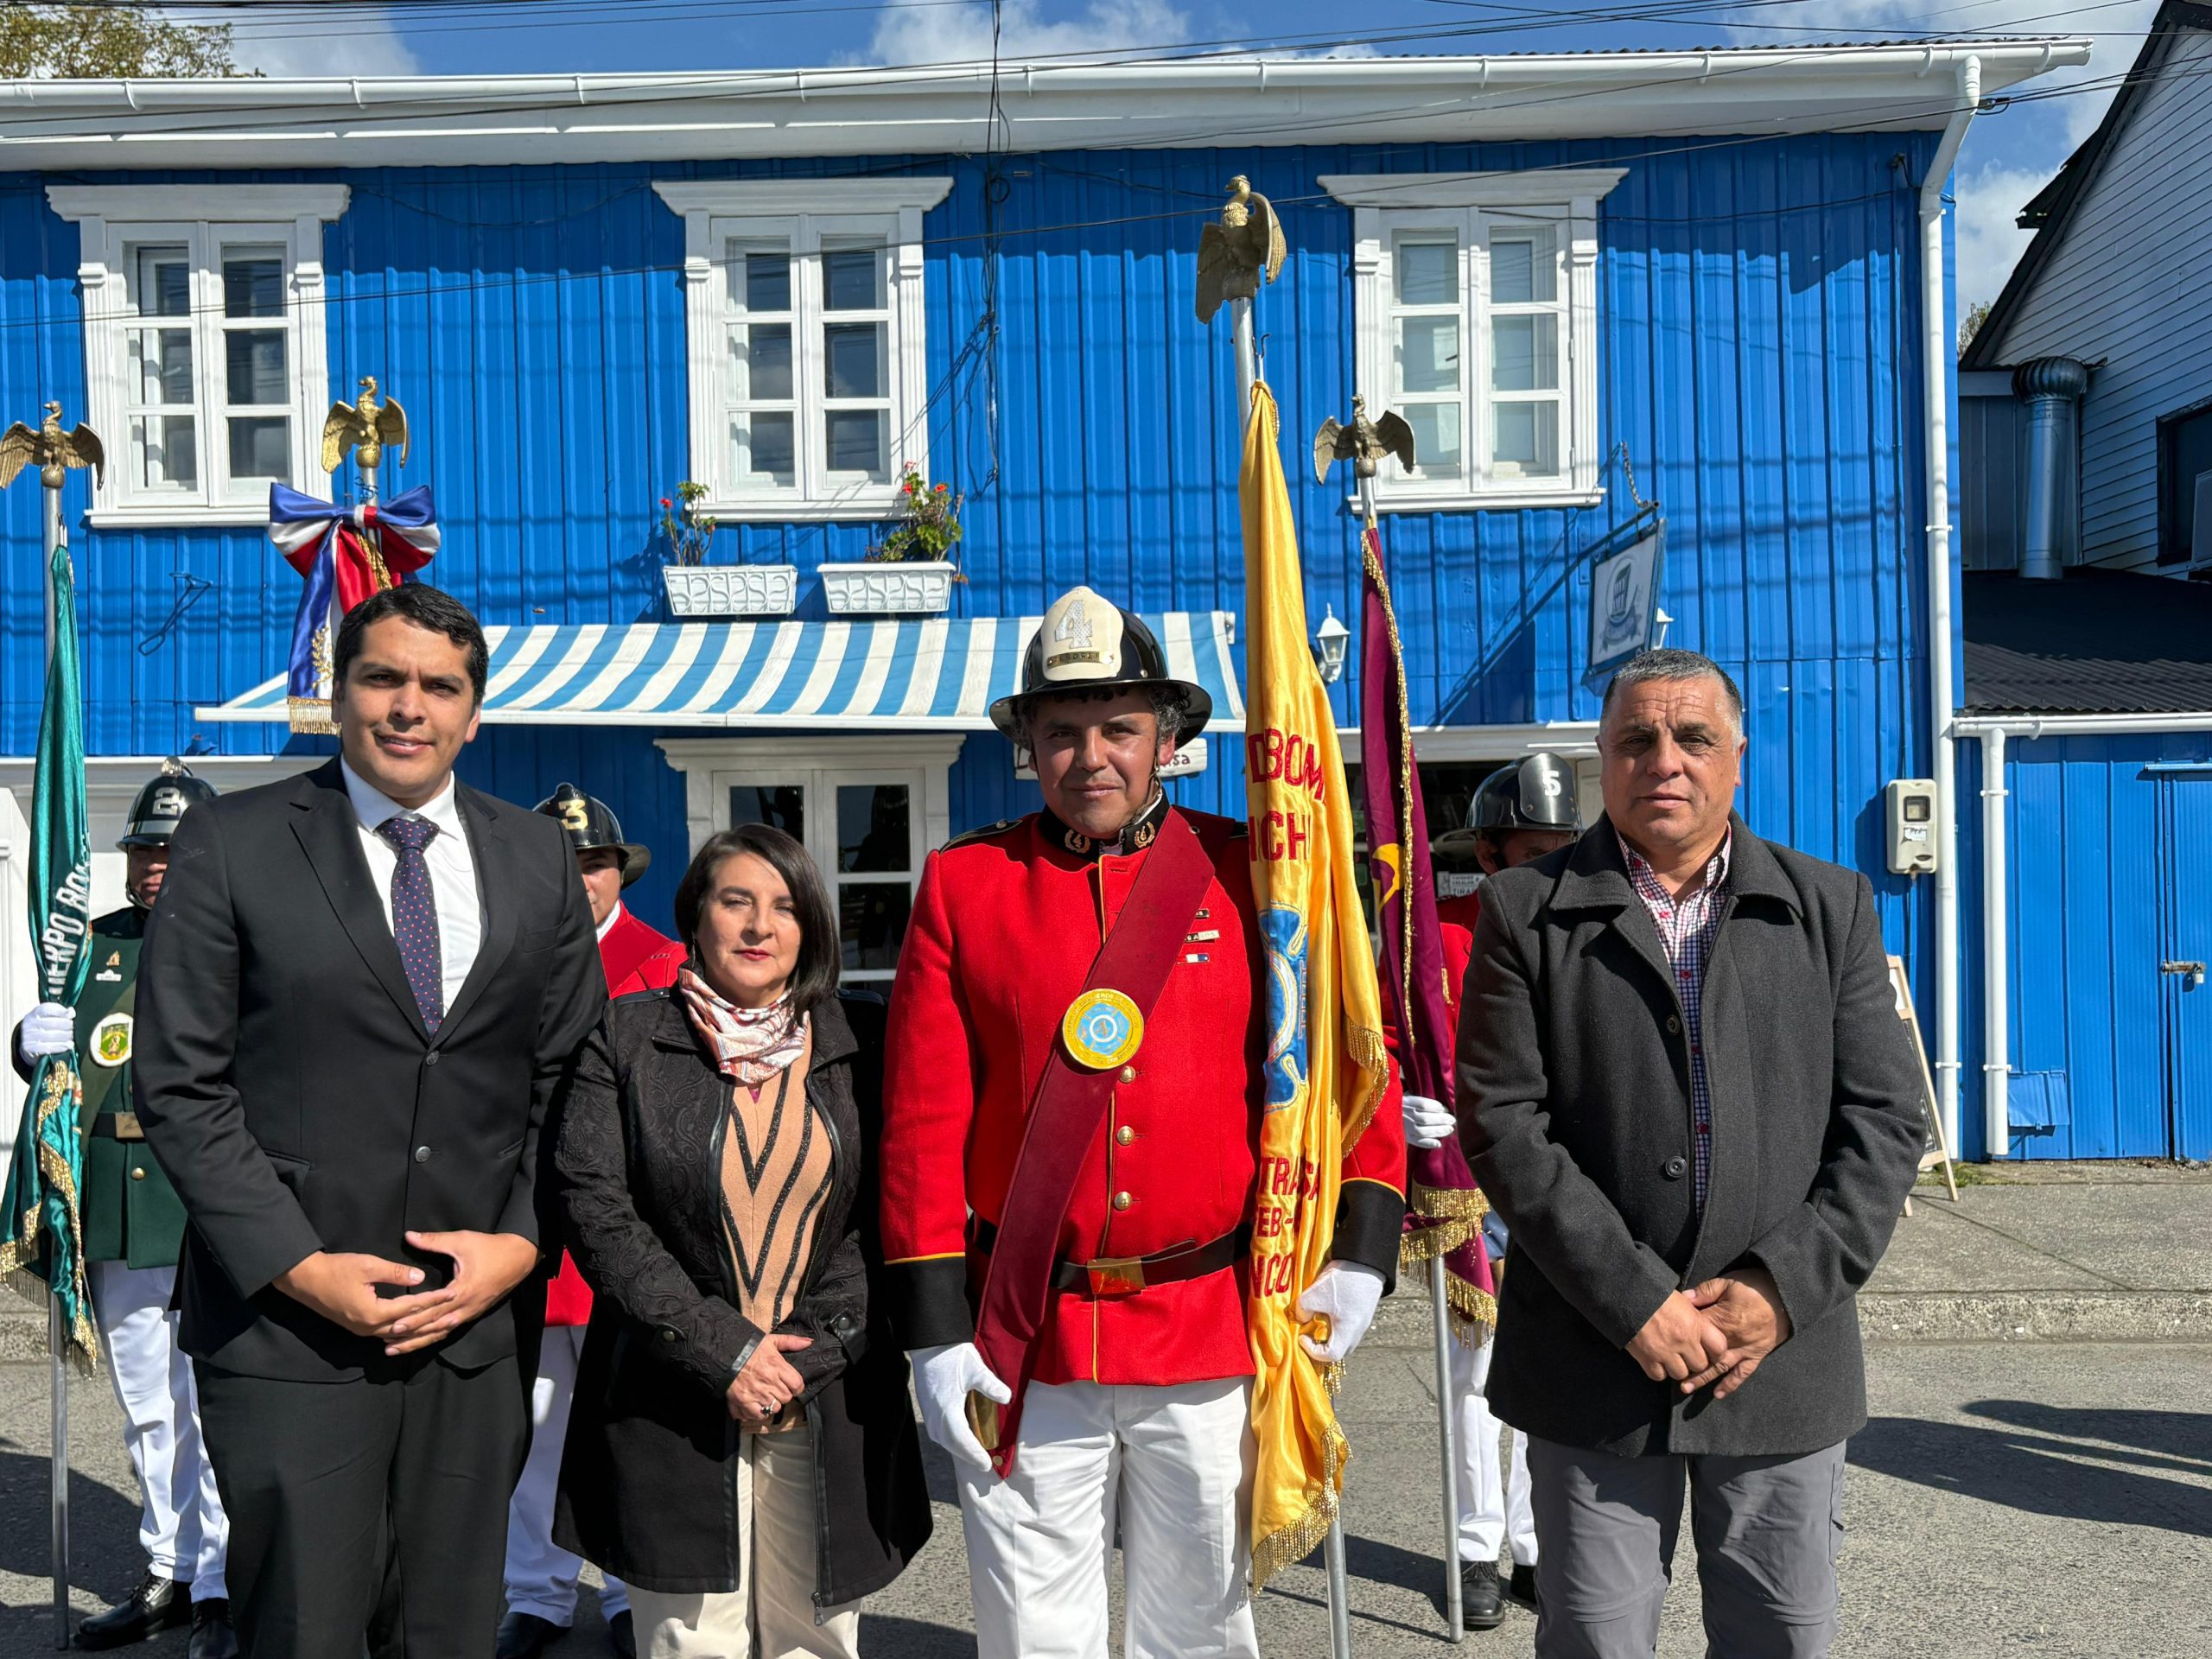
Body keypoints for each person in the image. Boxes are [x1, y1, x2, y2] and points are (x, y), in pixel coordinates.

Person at [879, 585, 1408, 1659]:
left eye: (1119, 728)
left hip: (1206, 1325)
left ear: (1167, 739)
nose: (1090, 757)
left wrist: (1360, 1247)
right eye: (1060, 732)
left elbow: (1345, 1060)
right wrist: (934, 1327)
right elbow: (922, 1120)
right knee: (1033, 1632)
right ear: (1027, 744)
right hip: (1027, 1332)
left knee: (1203, 1629)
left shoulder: (1255, 871)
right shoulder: (964, 886)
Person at [133, 582, 606, 1657]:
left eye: (439, 687)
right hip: (288, 1330)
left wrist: (522, 1247)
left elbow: (571, 1087)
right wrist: (300, 1267)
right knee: (304, 1632)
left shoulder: (536, 859)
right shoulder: (231, 842)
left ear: (474, 714)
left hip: (471, 1329)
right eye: (382, 678)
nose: (409, 706)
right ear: (338, 694)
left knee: (445, 1633)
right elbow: (181, 1086)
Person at [1458, 648, 1925, 1659]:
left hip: (1780, 1363)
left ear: (1736, 757)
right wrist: (1633, 1303)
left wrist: (1775, 1290)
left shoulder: (1828, 907)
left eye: (1692, 738)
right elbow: (1503, 1124)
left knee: (1781, 1638)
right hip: (1592, 1365)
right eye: (1635, 739)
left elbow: (1885, 1123)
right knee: (1595, 1640)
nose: (1662, 761)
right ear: (1603, 757)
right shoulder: (1521, 914)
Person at [550, 823, 931, 1658]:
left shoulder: (862, 1044)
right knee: (689, 1642)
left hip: (822, 1387)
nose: (760, 927)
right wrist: (725, 1350)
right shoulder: (624, 1039)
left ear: (812, 931)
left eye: (786, 907)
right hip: (669, 1386)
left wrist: (804, 1352)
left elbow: (890, 1211)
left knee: (817, 1638)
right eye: (737, 902)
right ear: (697, 916)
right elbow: (596, 1208)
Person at [11, 760, 235, 1659]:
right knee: (147, 1406)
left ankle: (223, 1577)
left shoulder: (246, 946)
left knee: (212, 1403)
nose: (153, 865)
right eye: (144, 848)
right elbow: (74, 1071)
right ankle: (167, 1567)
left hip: (213, 1208)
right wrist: (31, 1049)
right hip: (122, 1205)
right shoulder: (94, 949)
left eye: (172, 850)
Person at [497, 784, 681, 1659]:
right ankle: (533, 1593)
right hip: (529, 1228)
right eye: (562, 864)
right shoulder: (496, 958)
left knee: (625, 1426)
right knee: (532, 1426)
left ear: (620, 872)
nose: (579, 879)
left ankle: (625, 1594)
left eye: (594, 863)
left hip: (634, 1235)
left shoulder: (669, 963)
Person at [1407, 753, 1583, 1630]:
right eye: (1531, 851)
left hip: (1560, 1183)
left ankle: (1534, 1544)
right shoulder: (1432, 935)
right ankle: (1476, 1547)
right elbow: (1394, 1046)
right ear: (1488, 853)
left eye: (1560, 849)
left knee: (1550, 1375)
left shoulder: (1583, 935)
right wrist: (1398, 1113)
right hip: (1472, 1184)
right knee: (1477, 1379)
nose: (1548, 866)